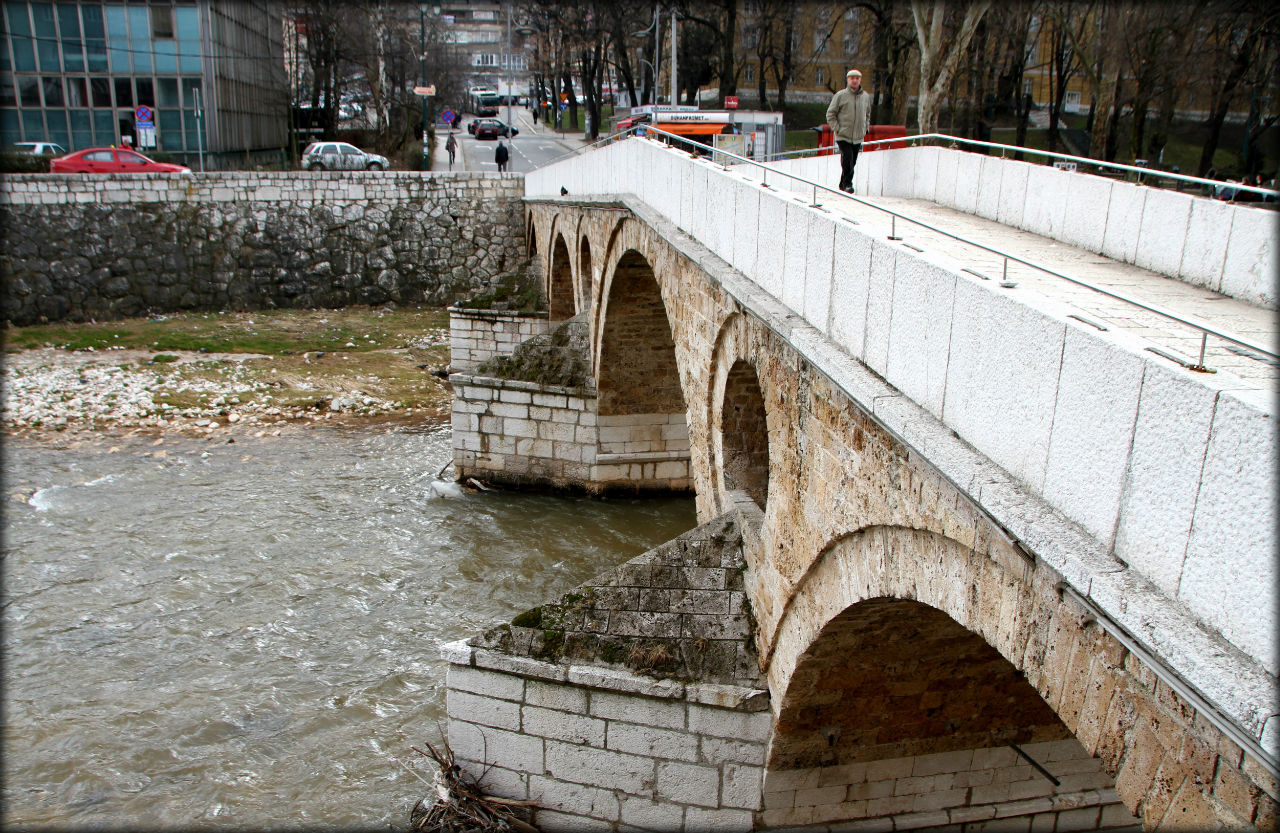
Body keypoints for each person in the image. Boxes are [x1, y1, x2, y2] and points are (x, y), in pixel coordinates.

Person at [825, 68, 872, 193]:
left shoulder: (865, 97)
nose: (855, 81)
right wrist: (837, 128)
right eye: (852, 78)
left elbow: (867, 114)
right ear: (848, 80)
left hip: (858, 135)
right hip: (843, 135)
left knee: (853, 161)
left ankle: (842, 184)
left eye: (857, 78)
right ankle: (848, 184)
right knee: (847, 158)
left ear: (860, 80)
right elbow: (830, 114)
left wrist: (865, 128)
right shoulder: (840, 96)